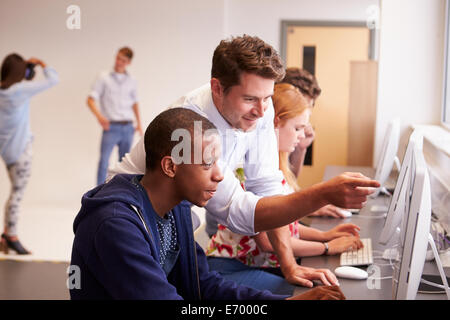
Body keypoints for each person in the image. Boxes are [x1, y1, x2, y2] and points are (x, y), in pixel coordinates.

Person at [109, 35, 380, 288]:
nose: (262, 111)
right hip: (134, 217)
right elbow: (240, 213)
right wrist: (323, 194)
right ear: (217, 88)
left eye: (267, 98)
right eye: (250, 99)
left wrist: (289, 266)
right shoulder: (189, 124)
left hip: (176, 220)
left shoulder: (261, 108)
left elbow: (267, 188)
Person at [69, 108, 345, 300]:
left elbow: (203, 284)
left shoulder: (175, 209)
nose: (219, 174)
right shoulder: (115, 225)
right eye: (206, 163)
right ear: (170, 166)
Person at [206, 83, 364, 294]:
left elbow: (286, 227)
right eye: (297, 128)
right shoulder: (248, 173)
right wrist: (326, 247)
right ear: (275, 124)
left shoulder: (275, 170)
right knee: (312, 292)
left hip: (257, 264)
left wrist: (324, 236)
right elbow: (267, 242)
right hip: (229, 269)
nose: (301, 137)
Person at [0, 53, 59, 254]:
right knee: (17, 194)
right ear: (21, 73)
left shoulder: (3, 91)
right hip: (21, 152)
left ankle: (6, 234)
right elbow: (53, 80)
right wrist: (43, 64)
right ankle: (11, 236)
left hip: (7, 153)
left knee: (14, 192)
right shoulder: (20, 91)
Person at [280, 68, 345, 219]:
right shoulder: (274, 133)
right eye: (301, 105)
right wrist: (308, 207)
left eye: (310, 107)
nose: (306, 114)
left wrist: (301, 148)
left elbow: (289, 183)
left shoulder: (291, 133)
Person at [87, 46, 143, 186]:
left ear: (128, 62)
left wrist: (139, 123)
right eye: (118, 58)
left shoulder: (132, 80)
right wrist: (100, 117)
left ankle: (120, 193)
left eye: (123, 60)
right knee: (104, 161)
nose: (119, 62)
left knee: (125, 165)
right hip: (111, 126)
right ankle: (99, 193)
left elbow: (135, 103)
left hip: (128, 126)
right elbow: (90, 99)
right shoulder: (104, 77)